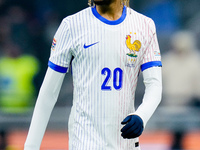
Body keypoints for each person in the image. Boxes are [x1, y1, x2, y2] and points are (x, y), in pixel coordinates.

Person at [24, 0, 162, 149]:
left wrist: (141, 116)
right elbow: (48, 93)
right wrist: (31, 146)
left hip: (125, 143)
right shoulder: (71, 25)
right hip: (84, 141)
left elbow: (154, 85)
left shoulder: (144, 25)